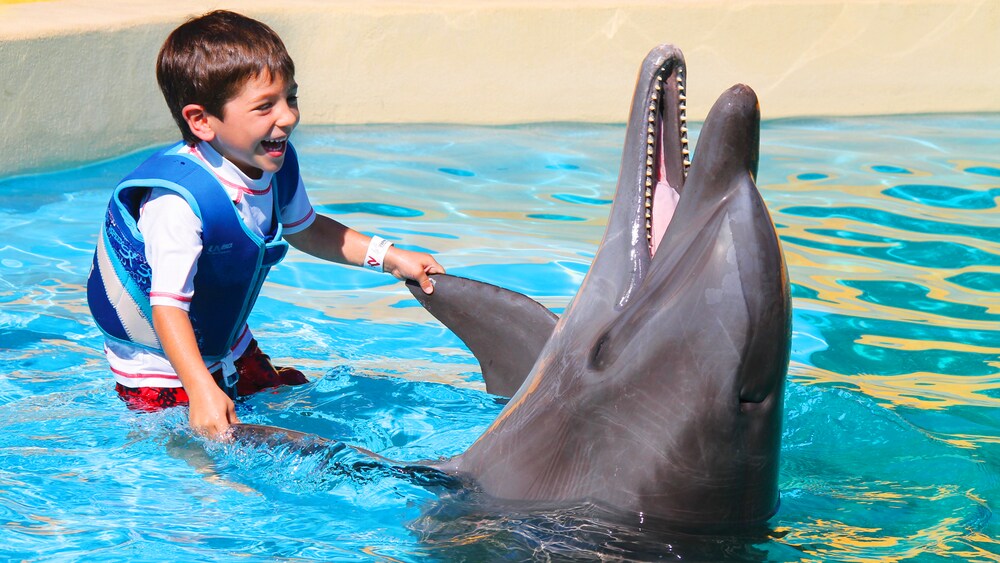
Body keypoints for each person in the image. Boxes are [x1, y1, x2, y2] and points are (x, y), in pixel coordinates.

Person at [86, 10, 444, 439]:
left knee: (302, 416)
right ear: (201, 121)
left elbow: (306, 230)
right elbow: (168, 308)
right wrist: (199, 387)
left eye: (290, 98)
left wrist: (389, 257)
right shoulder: (177, 203)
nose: (288, 117)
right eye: (265, 107)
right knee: (207, 453)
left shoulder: (273, 163)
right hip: (162, 372)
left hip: (231, 347)